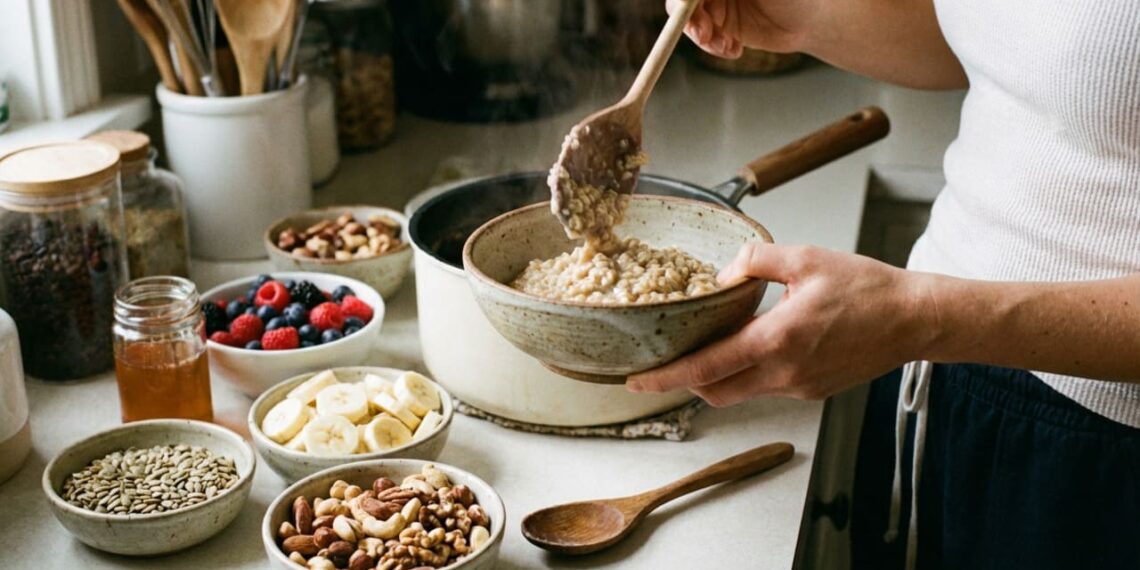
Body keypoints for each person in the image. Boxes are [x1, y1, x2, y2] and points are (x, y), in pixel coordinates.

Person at [627, 1, 1140, 569]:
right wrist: (789, 17)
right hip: (936, 379)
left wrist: (922, 317)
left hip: (1105, 448)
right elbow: (1008, 38)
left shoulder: (923, 318)